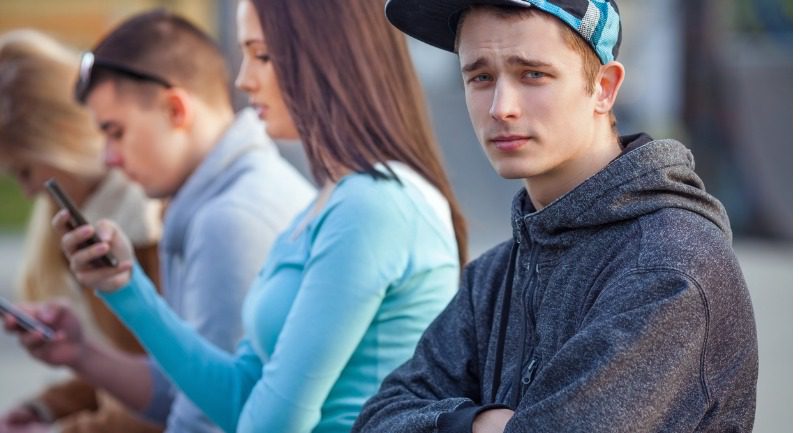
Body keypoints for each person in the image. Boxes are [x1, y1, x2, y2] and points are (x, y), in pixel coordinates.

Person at [44, 0, 468, 432]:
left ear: (328, 53)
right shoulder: (323, 206)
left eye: (263, 55)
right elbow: (242, 395)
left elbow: (273, 424)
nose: (244, 80)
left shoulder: (375, 205)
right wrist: (127, 288)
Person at [354, 1, 759, 432]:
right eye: (480, 77)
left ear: (604, 87)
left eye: (532, 74)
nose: (500, 108)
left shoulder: (668, 267)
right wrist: (478, 425)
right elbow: (377, 417)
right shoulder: (495, 274)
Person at [3, 10, 315, 433]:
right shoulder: (203, 205)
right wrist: (80, 353)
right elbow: (187, 386)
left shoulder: (228, 219)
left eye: (116, 132)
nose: (108, 157)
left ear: (174, 109)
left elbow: (207, 420)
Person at [0, 29, 164, 433]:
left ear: (61, 141)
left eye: (26, 171)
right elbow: (118, 369)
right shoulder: (85, 217)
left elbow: (168, 393)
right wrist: (47, 407)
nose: (28, 190)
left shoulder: (144, 227)